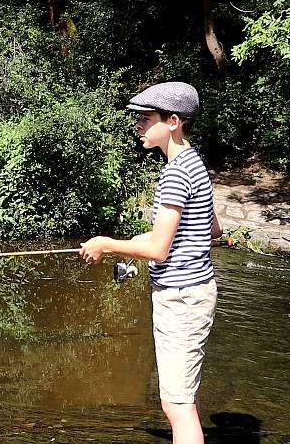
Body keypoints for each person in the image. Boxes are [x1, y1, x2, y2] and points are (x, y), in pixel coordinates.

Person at [79, 81, 222, 444]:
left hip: (181, 299)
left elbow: (159, 250)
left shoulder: (175, 174)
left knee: (177, 406)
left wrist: (108, 245)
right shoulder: (194, 163)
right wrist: (133, 242)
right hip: (192, 294)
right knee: (177, 401)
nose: (139, 125)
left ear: (173, 121)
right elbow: (210, 230)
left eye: (146, 118)